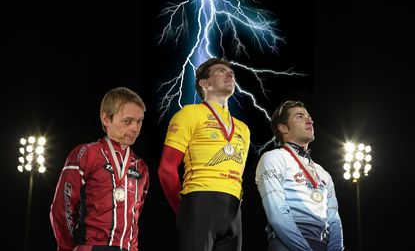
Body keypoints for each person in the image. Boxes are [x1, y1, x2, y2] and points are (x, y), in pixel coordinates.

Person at [158, 57, 250, 251]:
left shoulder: (243, 129)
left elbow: (239, 172)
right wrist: (182, 209)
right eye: (220, 71)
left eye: (230, 72)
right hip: (200, 199)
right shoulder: (188, 114)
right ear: (204, 83)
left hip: (234, 206)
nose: (229, 74)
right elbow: (166, 169)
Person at [50, 87, 149, 251]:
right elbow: (62, 208)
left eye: (139, 121)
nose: (135, 128)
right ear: (106, 119)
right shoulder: (85, 153)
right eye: (128, 121)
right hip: (91, 246)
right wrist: (67, 248)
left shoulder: (141, 167)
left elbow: (135, 219)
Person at [255, 100, 344, 251]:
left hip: (322, 244)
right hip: (286, 244)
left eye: (308, 116)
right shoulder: (273, 158)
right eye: (299, 116)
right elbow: (277, 214)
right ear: (283, 128)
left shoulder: (323, 173)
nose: (309, 120)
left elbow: (334, 219)